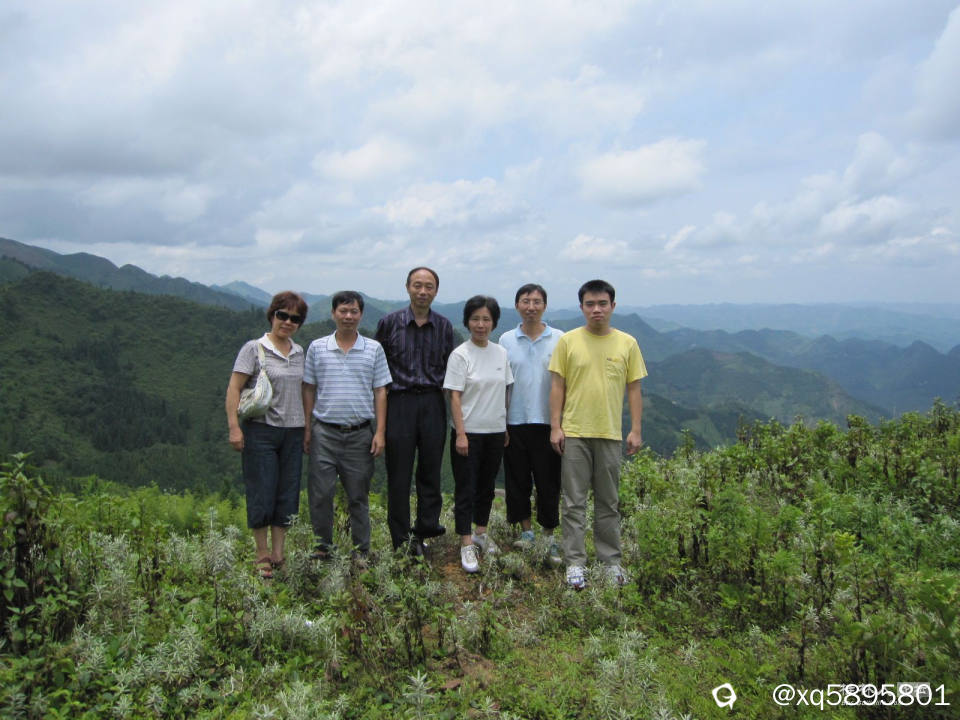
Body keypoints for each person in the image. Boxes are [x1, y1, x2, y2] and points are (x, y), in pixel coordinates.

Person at [548, 279, 646, 589]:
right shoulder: (568, 342)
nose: (597, 309)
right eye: (590, 304)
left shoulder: (627, 343)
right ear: (581, 308)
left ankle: (610, 562)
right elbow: (557, 386)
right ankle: (575, 563)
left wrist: (635, 430)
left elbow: (634, 389)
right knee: (573, 502)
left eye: (602, 303)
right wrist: (556, 426)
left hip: (610, 433)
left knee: (608, 502)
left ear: (613, 306)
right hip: (575, 431)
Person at [302, 291, 391, 560]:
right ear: (333, 313)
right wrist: (307, 428)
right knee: (320, 494)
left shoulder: (373, 349)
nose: (348, 316)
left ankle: (361, 551)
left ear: (361, 315)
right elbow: (308, 388)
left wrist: (379, 432)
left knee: (358, 496)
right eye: (343, 311)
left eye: (354, 312)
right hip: (323, 432)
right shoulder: (317, 347)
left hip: (360, 433)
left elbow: (381, 391)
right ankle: (322, 548)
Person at [226, 291, 309, 580]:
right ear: (272, 315)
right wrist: (234, 427)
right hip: (261, 430)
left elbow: (305, 392)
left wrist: (308, 428)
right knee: (262, 490)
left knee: (287, 492)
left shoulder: (300, 353)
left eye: (294, 318)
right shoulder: (254, 349)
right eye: (282, 315)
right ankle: (261, 554)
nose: (287, 322)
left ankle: (279, 554)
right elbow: (234, 388)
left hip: (294, 431)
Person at [375, 267, 456, 555]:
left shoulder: (445, 327)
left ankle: (425, 530)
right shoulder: (389, 323)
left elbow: (451, 371)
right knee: (398, 473)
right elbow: (378, 370)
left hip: (434, 402)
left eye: (429, 286)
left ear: (436, 291)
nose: (423, 291)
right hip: (399, 402)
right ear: (408, 287)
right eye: (417, 285)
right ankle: (401, 540)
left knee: (430, 469)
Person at [444, 296, 514, 573]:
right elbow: (455, 397)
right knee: (466, 488)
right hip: (469, 432)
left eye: (486, 319)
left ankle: (481, 533)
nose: (481, 324)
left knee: (486, 487)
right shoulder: (460, 354)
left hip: (495, 431)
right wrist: (460, 433)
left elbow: (505, 391)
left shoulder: (501, 353)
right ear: (467, 321)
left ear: (494, 322)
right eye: (475, 319)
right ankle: (465, 542)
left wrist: (505, 425)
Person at [499, 283, 563, 565]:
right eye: (525, 301)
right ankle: (526, 533)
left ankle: (549, 536)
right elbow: (500, 384)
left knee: (549, 481)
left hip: (549, 423)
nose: (531, 307)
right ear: (517, 306)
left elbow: (566, 384)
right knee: (517, 480)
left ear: (545, 306)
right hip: (514, 421)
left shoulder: (560, 339)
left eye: (537, 302)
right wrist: (501, 423)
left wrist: (561, 424)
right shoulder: (506, 340)